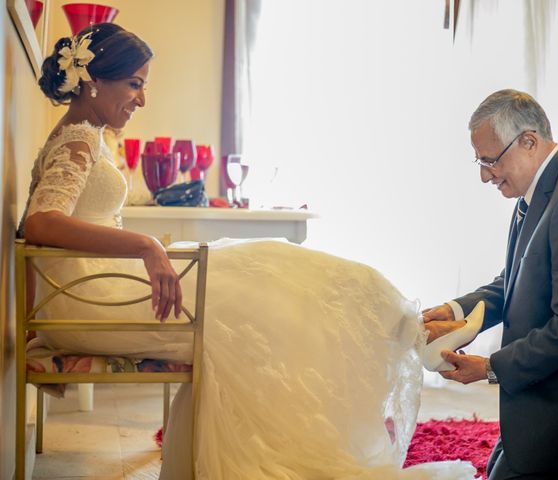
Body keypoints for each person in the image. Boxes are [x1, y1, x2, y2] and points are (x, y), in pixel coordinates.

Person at [20, 24, 477, 479]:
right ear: (93, 81)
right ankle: (416, 336)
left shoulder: (84, 133)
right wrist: (145, 245)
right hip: (97, 299)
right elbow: (41, 223)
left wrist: (148, 250)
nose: (142, 99)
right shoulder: (79, 138)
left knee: (278, 272)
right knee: (275, 297)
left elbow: (52, 219)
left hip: (97, 287)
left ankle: (416, 332)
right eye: (135, 84)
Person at [423, 89, 558, 480]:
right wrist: (455, 312)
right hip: (524, 410)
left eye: (490, 160)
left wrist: (490, 367)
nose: (484, 174)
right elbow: (517, 280)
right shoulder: (541, 189)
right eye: (479, 161)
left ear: (529, 141)